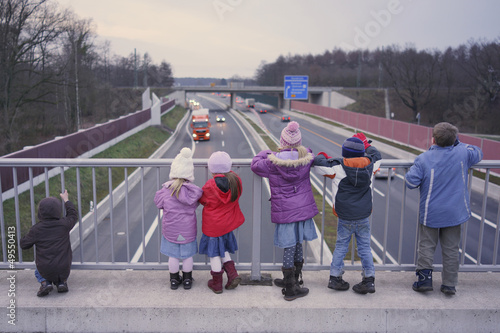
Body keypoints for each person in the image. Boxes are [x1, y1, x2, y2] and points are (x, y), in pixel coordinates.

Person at [405, 122, 483, 295]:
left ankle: (424, 280)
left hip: (431, 212)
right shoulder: (462, 153)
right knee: (451, 249)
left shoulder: (424, 158)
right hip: (455, 212)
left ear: (433, 139)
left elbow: (410, 182)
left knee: (426, 245)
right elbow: (478, 152)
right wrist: (458, 143)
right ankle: (449, 284)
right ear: (454, 139)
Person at [251, 121, 318, 301]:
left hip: (286, 212)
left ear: (282, 142)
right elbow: (310, 151)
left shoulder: (273, 162)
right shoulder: (306, 158)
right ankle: (295, 280)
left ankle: (289, 288)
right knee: (297, 245)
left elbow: (255, 165)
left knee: (289, 246)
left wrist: (268, 152)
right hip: (302, 210)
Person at [314, 132, 382, 294]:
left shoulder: (337, 166)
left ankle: (335, 277)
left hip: (344, 216)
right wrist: (366, 144)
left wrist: (324, 156)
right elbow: (377, 155)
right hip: (363, 215)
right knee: (365, 247)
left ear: (344, 153)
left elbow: (318, 163)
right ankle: (369, 280)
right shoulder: (371, 164)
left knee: (341, 246)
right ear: (362, 152)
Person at [154, 147, 203, 290]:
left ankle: (174, 280)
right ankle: (187, 280)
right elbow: (196, 203)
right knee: (187, 256)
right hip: (188, 230)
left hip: (171, 230)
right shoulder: (193, 192)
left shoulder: (166, 190)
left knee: (173, 256)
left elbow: (158, 203)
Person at [199, 151, 245, 294]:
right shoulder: (235, 181)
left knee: (214, 254)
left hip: (213, 226)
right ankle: (233, 275)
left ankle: (217, 283)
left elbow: (202, 200)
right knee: (223, 249)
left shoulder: (210, 185)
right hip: (227, 225)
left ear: (211, 169)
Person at [20, 190, 78, 297]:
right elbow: (73, 215)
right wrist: (66, 200)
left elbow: (24, 245)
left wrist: (27, 235)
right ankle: (62, 282)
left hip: (45, 268)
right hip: (63, 267)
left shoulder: (36, 229)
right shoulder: (64, 225)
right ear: (58, 211)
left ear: (40, 213)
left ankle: (45, 283)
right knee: (62, 263)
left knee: (39, 269)